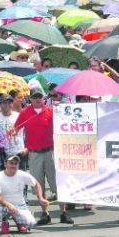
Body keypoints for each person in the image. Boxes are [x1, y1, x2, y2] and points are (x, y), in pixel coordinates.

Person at [12, 88, 73, 224]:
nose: (37, 99)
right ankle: (45, 213)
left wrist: (61, 108)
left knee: (57, 184)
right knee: (38, 184)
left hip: (51, 151)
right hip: (34, 154)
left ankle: (64, 212)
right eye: (35, 97)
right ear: (30, 99)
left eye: (39, 96)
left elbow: (67, 121)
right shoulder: (25, 112)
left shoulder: (52, 110)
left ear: (43, 97)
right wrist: (12, 131)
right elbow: (16, 129)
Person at [0, 155, 51, 233]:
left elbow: (36, 184)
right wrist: (8, 204)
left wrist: (40, 198)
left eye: (16, 163)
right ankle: (5, 222)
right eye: (11, 163)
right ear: (5, 164)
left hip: (20, 205)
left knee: (30, 223)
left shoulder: (22, 174)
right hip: (4, 204)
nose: (13, 165)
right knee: (0, 210)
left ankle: (21, 222)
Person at [0, 94, 27, 171]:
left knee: (21, 179)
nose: (7, 105)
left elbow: (27, 133)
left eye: (9, 102)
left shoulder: (19, 116)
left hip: (19, 152)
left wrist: (26, 148)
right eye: (4, 103)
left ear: (12, 103)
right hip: (4, 154)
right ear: (0, 104)